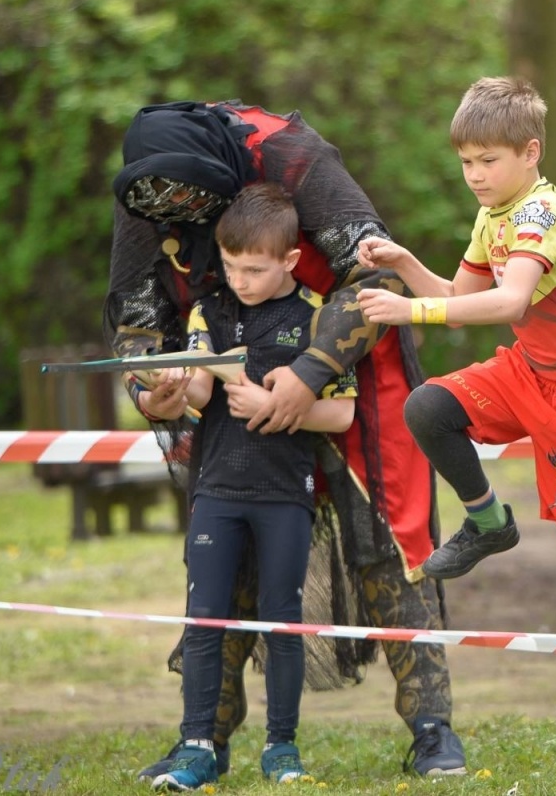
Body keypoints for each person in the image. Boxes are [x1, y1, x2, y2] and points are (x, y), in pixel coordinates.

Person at [103, 100, 467, 779]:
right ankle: (205, 739)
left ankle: (432, 728)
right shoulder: (144, 189)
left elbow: (379, 272)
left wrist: (311, 373)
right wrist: (151, 389)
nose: (183, 220)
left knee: (384, 534)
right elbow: (138, 322)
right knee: (227, 542)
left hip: (351, 356)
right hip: (228, 362)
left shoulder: (294, 158)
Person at [355, 77, 556, 781]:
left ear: (530, 153)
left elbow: (509, 301)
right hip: (529, 374)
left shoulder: (540, 213)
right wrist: (404, 264)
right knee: (429, 407)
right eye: (465, 162)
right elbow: (458, 297)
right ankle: (487, 522)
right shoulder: (493, 214)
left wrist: (407, 312)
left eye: (488, 161)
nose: (475, 175)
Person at [143, 184, 358, 790]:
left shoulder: (318, 315)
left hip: (285, 495)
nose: (240, 280)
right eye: (231, 266)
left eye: (255, 270)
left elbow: (342, 414)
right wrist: (173, 384)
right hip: (216, 492)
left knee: (281, 622)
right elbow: (199, 392)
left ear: (290, 260)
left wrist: (276, 407)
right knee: (203, 620)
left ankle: (281, 748)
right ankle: (196, 748)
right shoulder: (207, 312)